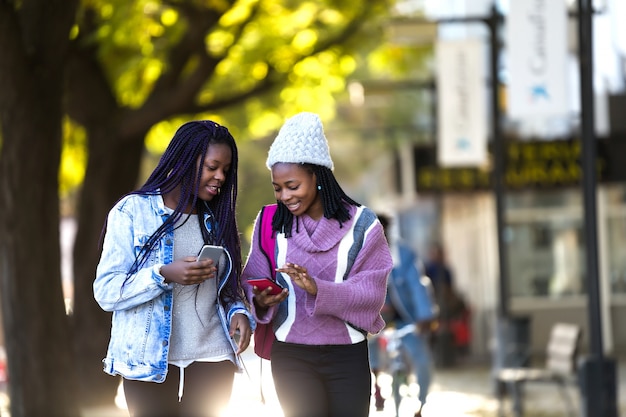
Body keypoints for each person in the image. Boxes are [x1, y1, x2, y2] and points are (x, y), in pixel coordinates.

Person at [93, 120, 254, 417]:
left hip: (213, 357)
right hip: (148, 362)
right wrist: (162, 274)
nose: (220, 177)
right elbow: (106, 292)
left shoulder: (216, 219)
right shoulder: (132, 212)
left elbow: (226, 289)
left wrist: (239, 312)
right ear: (184, 161)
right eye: (212, 167)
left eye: (226, 170)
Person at [241, 112, 393, 417]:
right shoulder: (270, 221)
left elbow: (372, 293)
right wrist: (261, 298)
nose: (284, 196)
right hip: (291, 353)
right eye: (278, 188)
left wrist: (317, 289)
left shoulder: (363, 224)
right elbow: (251, 279)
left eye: (292, 186)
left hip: (347, 354)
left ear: (317, 176)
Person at [370, 213, 438, 417]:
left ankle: (421, 405)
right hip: (374, 322)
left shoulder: (404, 255)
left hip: (406, 319)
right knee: (364, 350)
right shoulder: (359, 256)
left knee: (422, 360)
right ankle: (377, 388)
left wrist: (425, 316)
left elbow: (417, 285)